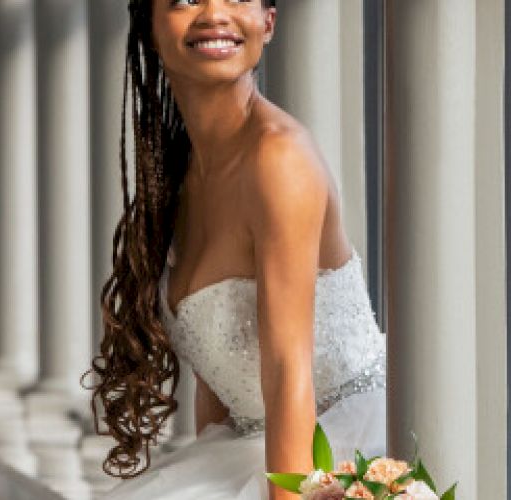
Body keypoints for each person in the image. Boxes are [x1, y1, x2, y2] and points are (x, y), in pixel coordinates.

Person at [88, 1, 384, 498]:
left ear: (268, 22)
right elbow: (218, 385)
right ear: (150, 29)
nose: (213, 13)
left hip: (333, 448)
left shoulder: (279, 159)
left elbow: (289, 369)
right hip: (247, 451)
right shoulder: (177, 183)